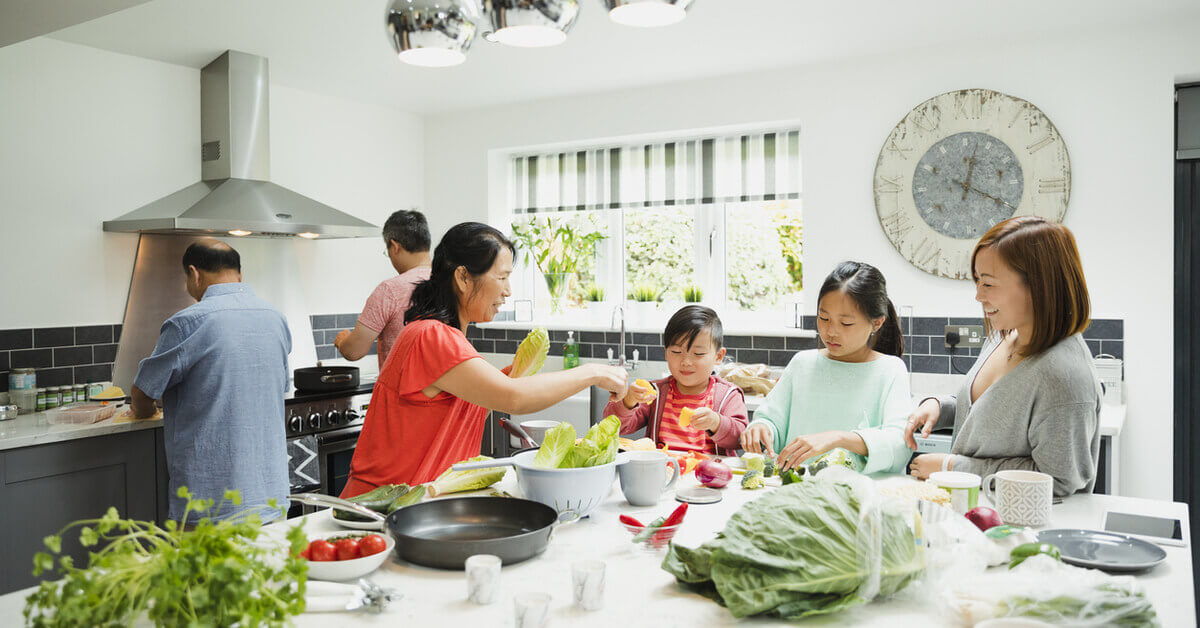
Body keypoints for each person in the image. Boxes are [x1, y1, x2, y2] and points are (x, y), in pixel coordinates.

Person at [341, 222, 628, 496]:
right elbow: (513, 397)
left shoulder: (443, 339)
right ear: (463, 278)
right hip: (379, 514)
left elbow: (501, 392)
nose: (508, 290)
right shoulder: (430, 336)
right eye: (501, 277)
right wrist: (593, 373)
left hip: (417, 508)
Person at [905, 216, 1101, 496]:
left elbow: (1058, 481)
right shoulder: (1004, 335)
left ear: (1037, 285)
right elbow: (988, 411)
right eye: (977, 282)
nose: (978, 296)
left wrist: (951, 467)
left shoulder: (1063, 377)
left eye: (988, 284)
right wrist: (940, 407)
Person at [131, 238, 291, 523]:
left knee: (205, 569)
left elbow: (143, 394)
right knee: (266, 567)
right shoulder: (275, 317)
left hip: (212, 503)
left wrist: (147, 413)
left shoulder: (186, 322)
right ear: (239, 275)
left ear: (194, 273)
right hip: (271, 495)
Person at [740, 261, 913, 474]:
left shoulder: (890, 370)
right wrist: (761, 429)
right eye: (824, 318)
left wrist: (837, 438)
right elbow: (771, 421)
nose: (831, 331)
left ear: (876, 323)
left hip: (859, 498)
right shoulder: (802, 364)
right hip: (797, 492)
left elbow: (899, 445)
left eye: (846, 323)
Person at [604, 305, 748, 455]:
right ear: (666, 352)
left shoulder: (728, 395)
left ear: (718, 356)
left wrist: (716, 423)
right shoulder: (655, 393)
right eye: (676, 352)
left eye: (698, 353)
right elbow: (615, 427)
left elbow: (740, 439)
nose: (686, 361)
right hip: (662, 472)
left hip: (707, 476)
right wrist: (628, 401)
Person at [334, 210, 432, 369]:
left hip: (401, 391)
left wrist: (343, 341)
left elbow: (354, 351)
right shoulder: (449, 283)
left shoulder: (390, 290)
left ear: (395, 246)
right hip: (443, 391)